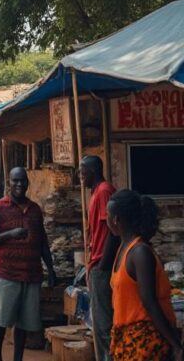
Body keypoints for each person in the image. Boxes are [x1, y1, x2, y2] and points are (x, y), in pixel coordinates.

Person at [0, 167, 56, 361]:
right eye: (15, 181)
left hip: (31, 273)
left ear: (27, 183)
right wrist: (9, 234)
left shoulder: (34, 210)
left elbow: (42, 241)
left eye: (23, 181)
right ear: (9, 182)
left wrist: (51, 268)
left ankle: (18, 358)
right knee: (1, 319)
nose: (19, 185)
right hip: (7, 273)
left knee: (23, 322)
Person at [106, 189, 183, 361]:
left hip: (146, 338)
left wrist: (176, 345)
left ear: (117, 220)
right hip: (127, 337)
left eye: (108, 215)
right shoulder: (124, 248)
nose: (106, 220)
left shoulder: (140, 252)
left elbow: (149, 302)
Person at [81, 155, 118, 361]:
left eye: (83, 172)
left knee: (103, 324)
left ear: (92, 172)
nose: (81, 177)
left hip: (101, 262)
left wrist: (102, 265)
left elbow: (112, 230)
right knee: (100, 322)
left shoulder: (104, 191)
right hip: (96, 261)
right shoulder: (97, 191)